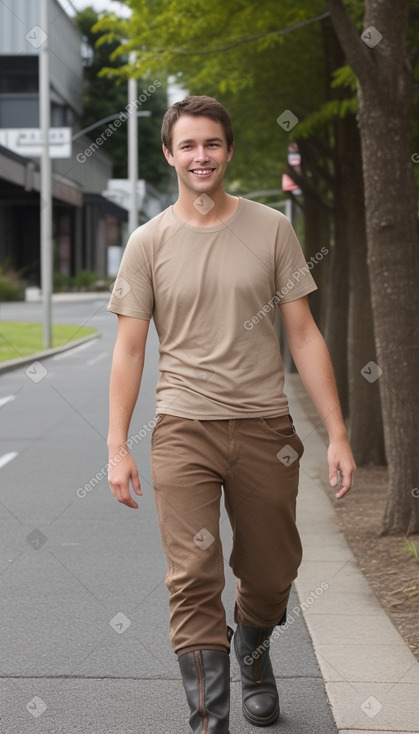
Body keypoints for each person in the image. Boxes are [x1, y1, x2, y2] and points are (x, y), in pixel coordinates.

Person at [107, 95, 356, 734]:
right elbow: (130, 350)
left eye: (211, 144)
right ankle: (209, 721)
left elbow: (302, 334)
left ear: (229, 150)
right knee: (192, 576)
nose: (200, 156)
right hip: (182, 429)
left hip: (266, 427)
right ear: (168, 155)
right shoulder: (148, 241)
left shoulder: (271, 228)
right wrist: (116, 445)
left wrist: (336, 433)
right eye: (187, 145)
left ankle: (253, 643)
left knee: (272, 573)